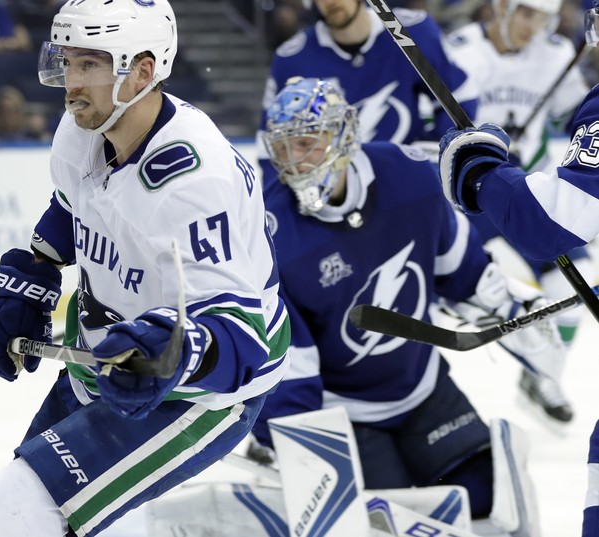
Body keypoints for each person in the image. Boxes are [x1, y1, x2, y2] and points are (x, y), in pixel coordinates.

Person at [0, 1, 290, 536]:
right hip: (108, 356)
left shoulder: (194, 180)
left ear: (143, 72)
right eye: (67, 61)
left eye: (90, 64)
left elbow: (241, 332)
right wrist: (35, 269)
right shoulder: (85, 130)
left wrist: (172, 352)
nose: (72, 82)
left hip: (196, 393)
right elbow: (74, 205)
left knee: (18, 505)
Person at [253, 77, 563, 535]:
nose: (292, 163)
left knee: (493, 503)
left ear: (342, 136)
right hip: (345, 416)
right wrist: (294, 441)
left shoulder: (411, 178)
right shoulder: (271, 235)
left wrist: (512, 306)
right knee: (395, 525)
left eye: (305, 144)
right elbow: (289, 369)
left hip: (424, 391)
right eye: (282, 150)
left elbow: (463, 271)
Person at [438, 5, 599, 531]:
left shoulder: (556, 56)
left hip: (526, 193)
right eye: (526, 12)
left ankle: (542, 373)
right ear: (502, 6)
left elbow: (577, 121)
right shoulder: (466, 50)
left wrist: (485, 170)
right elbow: (449, 119)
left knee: (566, 281)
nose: (535, 27)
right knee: (505, 282)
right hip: (497, 202)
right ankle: (520, 331)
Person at [257, 0, 478, 185]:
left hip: (406, 183)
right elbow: (271, 142)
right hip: (333, 191)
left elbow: (460, 99)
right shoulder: (292, 60)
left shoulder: (413, 31)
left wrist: (434, 155)